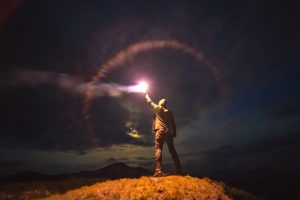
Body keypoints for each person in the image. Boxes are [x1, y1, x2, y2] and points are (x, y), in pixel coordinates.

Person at [145, 92, 182, 177]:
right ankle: (179, 170)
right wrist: (174, 132)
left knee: (158, 150)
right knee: (172, 151)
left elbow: (149, 102)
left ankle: (158, 171)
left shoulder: (158, 108)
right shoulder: (169, 111)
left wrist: (146, 93)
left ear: (160, 103)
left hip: (159, 132)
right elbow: (173, 123)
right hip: (168, 132)